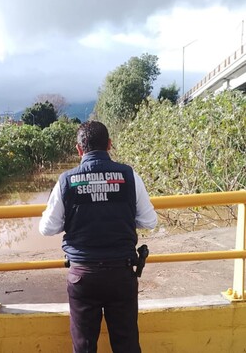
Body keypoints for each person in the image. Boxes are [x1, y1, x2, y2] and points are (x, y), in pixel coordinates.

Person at [38, 121, 157, 353]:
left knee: (83, 346)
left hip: (83, 277)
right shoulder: (129, 176)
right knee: (127, 345)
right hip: (121, 275)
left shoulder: (66, 181)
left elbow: (47, 228)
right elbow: (150, 221)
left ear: (79, 149)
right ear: (109, 145)